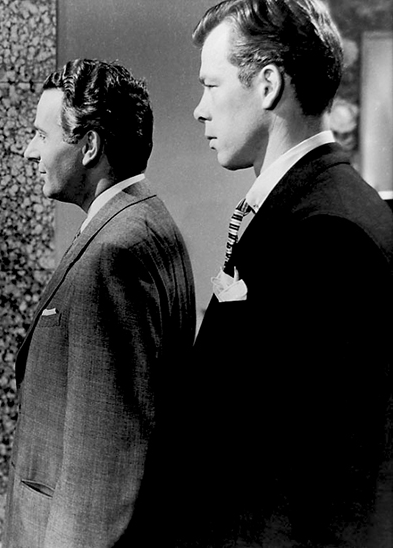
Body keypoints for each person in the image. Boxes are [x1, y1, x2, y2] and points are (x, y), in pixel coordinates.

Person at [167, 0, 393, 545]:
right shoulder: (309, 204)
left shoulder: (330, 230)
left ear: (268, 85)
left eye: (211, 86)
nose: (199, 109)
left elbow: (322, 482)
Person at [3, 59, 196, 548]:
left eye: (41, 136)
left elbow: (103, 467)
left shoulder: (113, 253)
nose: (29, 151)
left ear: (89, 146)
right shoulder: (144, 220)